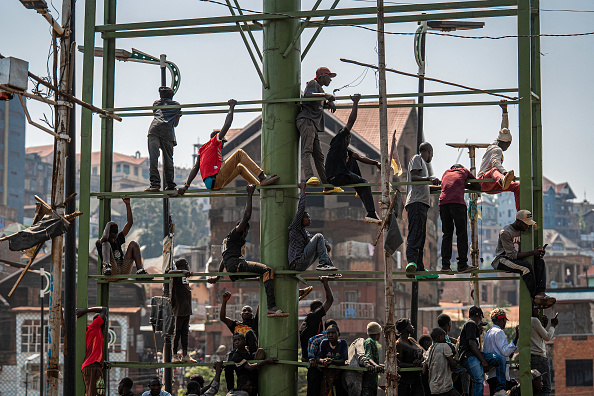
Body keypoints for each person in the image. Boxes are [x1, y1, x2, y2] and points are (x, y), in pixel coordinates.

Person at [208, 184, 288, 318]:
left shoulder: (227, 241)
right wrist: (250, 194)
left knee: (263, 276)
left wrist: (218, 275)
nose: (245, 234)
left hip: (233, 272)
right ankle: (271, 307)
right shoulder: (236, 233)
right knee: (268, 271)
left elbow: (224, 258)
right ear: (243, 230)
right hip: (237, 266)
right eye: (245, 231)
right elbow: (246, 216)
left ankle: (272, 302)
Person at [178, 99, 278, 195]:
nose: (223, 145)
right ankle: (262, 177)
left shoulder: (203, 149)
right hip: (215, 179)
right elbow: (227, 124)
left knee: (239, 168)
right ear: (218, 140)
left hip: (212, 184)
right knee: (239, 153)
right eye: (223, 142)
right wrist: (231, 107)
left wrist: (186, 186)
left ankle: (260, 188)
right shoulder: (214, 143)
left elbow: (195, 168)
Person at [325, 93, 382, 224]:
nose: (349, 141)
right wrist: (356, 102)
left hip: (339, 176)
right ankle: (371, 214)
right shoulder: (338, 141)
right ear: (344, 137)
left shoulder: (345, 150)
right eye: (348, 138)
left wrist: (375, 163)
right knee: (365, 184)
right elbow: (351, 121)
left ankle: (359, 189)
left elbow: (359, 157)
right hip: (337, 176)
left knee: (353, 159)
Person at [491, 210, 556, 308]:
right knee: (526, 267)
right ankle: (535, 298)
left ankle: (541, 293)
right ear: (518, 221)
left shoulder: (523, 231)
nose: (527, 227)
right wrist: (532, 253)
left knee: (540, 262)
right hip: (503, 260)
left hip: (515, 259)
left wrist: (536, 254)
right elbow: (512, 255)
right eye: (526, 224)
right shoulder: (506, 232)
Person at [297, 67, 340, 190]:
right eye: (329, 77)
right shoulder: (313, 84)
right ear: (322, 76)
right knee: (307, 150)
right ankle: (309, 176)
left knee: (319, 156)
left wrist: (328, 103)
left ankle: (327, 185)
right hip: (306, 120)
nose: (330, 80)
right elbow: (308, 95)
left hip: (313, 124)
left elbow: (318, 101)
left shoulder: (319, 89)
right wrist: (325, 96)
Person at [405, 142, 441, 279]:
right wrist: (430, 178)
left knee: (421, 236)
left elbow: (426, 187)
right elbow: (414, 178)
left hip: (422, 204)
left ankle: (419, 268)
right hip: (416, 203)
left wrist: (441, 187)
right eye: (432, 154)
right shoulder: (417, 159)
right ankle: (411, 263)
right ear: (429, 151)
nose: (431, 157)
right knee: (415, 234)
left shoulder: (423, 165)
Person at [477, 100, 520, 210]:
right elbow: (496, 162)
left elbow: (503, 129)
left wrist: (504, 111)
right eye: (508, 145)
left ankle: (521, 214)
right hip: (484, 182)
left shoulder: (495, 143)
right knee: (494, 170)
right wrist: (505, 173)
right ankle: (502, 179)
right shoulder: (497, 150)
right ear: (506, 143)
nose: (508, 147)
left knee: (517, 187)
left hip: (494, 184)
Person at [439, 164, 479, 273]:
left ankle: (445, 265)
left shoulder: (446, 173)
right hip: (457, 203)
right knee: (461, 234)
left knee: (447, 234)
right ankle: (462, 265)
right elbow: (477, 185)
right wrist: (466, 186)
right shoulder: (464, 171)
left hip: (443, 203)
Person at [458, 306, 507, 396]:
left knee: (500, 359)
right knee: (479, 379)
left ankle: (500, 389)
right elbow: (472, 344)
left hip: (474, 355)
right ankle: (500, 388)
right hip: (469, 356)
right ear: (480, 316)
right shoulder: (471, 324)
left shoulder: (471, 325)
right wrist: (483, 361)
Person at [289, 183, 337, 271]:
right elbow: (301, 208)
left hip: (303, 264)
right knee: (319, 236)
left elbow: (313, 240)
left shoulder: (304, 233)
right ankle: (323, 263)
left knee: (319, 243)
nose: (309, 219)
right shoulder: (295, 227)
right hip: (296, 263)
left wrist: (326, 244)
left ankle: (330, 268)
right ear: (301, 219)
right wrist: (303, 190)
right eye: (307, 217)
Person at [97, 198, 148, 276]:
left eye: (115, 237)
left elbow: (130, 223)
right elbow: (104, 239)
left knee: (133, 244)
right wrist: (109, 224)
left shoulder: (118, 238)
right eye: (112, 237)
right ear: (108, 234)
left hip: (123, 269)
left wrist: (127, 204)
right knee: (106, 244)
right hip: (111, 271)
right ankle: (107, 266)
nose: (114, 240)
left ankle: (140, 270)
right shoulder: (102, 242)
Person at [145, 86, 182, 192]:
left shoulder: (156, 104)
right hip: (167, 132)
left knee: (153, 158)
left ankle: (155, 184)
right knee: (168, 160)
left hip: (154, 130)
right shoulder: (176, 105)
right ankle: (170, 185)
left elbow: (157, 115)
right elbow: (175, 124)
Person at [166, 258, 195, 363]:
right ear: (184, 265)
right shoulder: (177, 275)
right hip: (179, 308)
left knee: (185, 333)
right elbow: (170, 272)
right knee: (177, 332)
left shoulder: (184, 276)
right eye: (186, 265)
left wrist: (186, 273)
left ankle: (185, 355)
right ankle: (174, 355)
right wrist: (181, 272)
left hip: (186, 308)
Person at [483, 308, 519, 395]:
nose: (505, 323)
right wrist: (516, 337)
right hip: (500, 377)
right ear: (502, 320)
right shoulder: (499, 332)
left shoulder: (487, 334)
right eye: (504, 320)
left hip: (491, 376)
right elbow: (505, 352)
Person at [77, 306, 107, 396]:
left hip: (94, 366)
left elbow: (95, 351)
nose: (105, 325)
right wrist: (85, 310)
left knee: (99, 393)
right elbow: (104, 309)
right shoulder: (95, 327)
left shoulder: (96, 333)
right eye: (104, 322)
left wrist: (101, 362)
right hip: (92, 367)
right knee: (94, 394)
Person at [437, 313, 469, 396]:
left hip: (445, 362)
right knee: (464, 371)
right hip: (445, 362)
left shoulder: (443, 335)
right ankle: (466, 392)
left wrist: (460, 340)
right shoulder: (441, 336)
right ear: (448, 324)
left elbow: (454, 341)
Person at [306, 319, 339, 396]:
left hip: (320, 367)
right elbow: (312, 340)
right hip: (319, 368)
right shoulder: (326, 336)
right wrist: (312, 358)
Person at [424, 327, 460, 396]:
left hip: (433, 387)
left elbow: (424, 370)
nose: (446, 338)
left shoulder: (430, 348)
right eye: (444, 336)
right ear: (439, 337)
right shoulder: (444, 346)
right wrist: (457, 362)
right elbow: (453, 363)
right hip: (444, 385)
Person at [531, 308, 558, 396]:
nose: (539, 311)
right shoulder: (534, 320)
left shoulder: (523, 321)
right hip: (539, 358)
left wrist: (543, 327)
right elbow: (547, 337)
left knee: (536, 388)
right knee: (546, 388)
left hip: (531, 358)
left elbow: (536, 337)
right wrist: (553, 325)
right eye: (536, 308)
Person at [395, 318, 425, 396]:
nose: (412, 326)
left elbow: (423, 354)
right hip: (406, 381)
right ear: (405, 328)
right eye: (410, 325)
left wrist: (420, 361)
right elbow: (399, 363)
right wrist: (413, 365)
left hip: (417, 379)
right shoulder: (399, 344)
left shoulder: (411, 340)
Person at [316, 324, 348, 396]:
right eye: (328, 333)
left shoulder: (343, 343)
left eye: (333, 333)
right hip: (326, 374)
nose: (330, 335)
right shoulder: (324, 343)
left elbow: (343, 360)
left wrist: (332, 362)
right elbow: (318, 358)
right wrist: (323, 361)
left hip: (339, 374)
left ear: (338, 334)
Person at [362, 322, 384, 396]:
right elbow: (368, 357)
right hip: (368, 381)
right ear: (378, 334)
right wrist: (376, 366)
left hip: (373, 380)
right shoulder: (369, 342)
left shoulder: (372, 342)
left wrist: (379, 365)